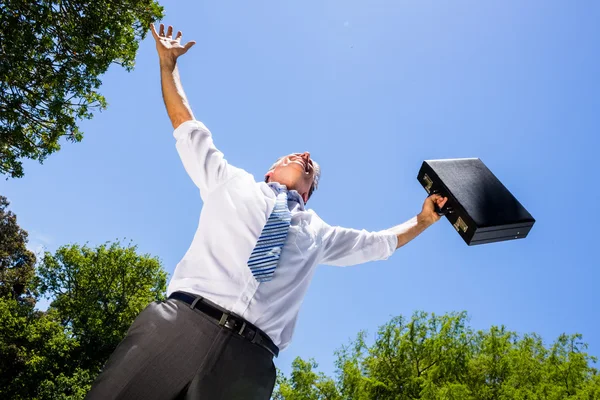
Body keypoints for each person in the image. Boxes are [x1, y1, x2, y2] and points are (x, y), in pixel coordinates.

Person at [85, 23, 448, 400]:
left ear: (309, 193)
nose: (305, 157)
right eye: (294, 155)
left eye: (312, 168)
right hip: (181, 325)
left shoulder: (319, 233)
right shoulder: (231, 182)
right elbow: (187, 125)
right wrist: (168, 66)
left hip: (247, 363)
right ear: (270, 171)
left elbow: (379, 244)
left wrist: (422, 220)